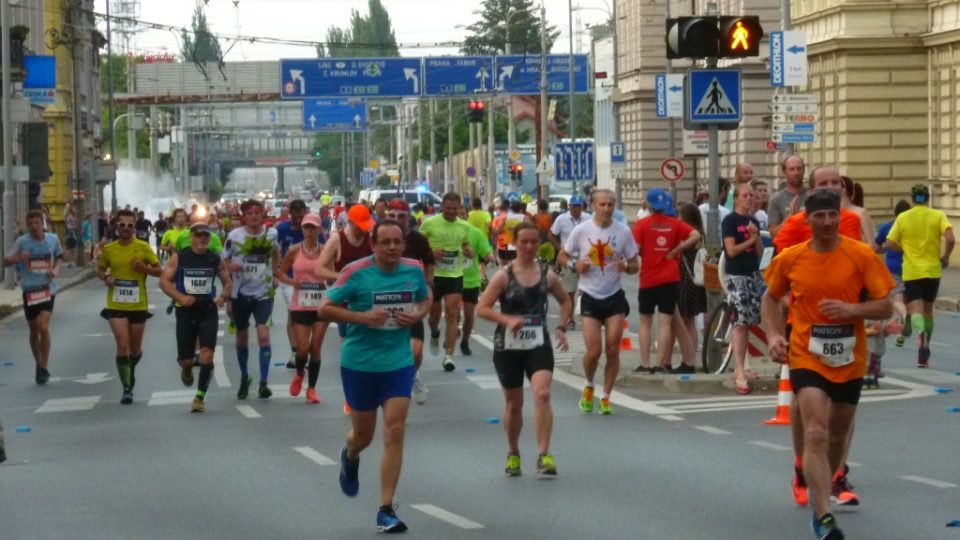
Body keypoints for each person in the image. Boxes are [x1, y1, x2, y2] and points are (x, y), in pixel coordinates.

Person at [762, 189, 894, 540]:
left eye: (832, 216)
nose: (826, 222)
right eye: (819, 216)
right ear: (806, 219)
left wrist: (853, 310)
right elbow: (771, 298)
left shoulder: (861, 256)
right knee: (816, 430)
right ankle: (823, 516)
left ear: (839, 217)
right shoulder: (791, 258)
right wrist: (775, 335)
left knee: (836, 433)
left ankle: (821, 480)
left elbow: (886, 305)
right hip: (807, 353)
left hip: (849, 358)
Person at [319, 220, 431, 534]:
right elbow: (325, 309)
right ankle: (350, 453)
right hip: (360, 363)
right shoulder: (355, 272)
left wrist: (419, 314)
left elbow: (425, 297)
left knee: (395, 430)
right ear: (374, 244)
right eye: (386, 242)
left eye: (397, 241)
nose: (392, 248)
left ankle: (385, 509)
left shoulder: (412, 270)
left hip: (398, 361)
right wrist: (361, 317)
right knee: (364, 436)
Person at [476, 222, 572, 476]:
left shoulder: (547, 274)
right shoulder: (503, 276)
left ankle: (543, 454)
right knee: (514, 404)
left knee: (542, 394)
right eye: (523, 242)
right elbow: (482, 308)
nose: (529, 247)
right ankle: (513, 451)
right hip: (508, 345)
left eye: (533, 242)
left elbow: (565, 300)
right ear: (515, 244)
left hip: (538, 342)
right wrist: (507, 320)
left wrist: (562, 327)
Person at [558, 189, 639, 415]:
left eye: (610, 205)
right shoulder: (581, 230)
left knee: (612, 349)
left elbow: (635, 265)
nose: (606, 209)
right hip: (590, 296)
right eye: (602, 204)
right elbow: (562, 257)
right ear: (593, 205)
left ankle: (606, 396)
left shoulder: (622, 231)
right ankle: (589, 383)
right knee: (594, 351)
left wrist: (626, 267)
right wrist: (575, 265)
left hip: (614, 295)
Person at [159, 222, 231, 413]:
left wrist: (223, 297)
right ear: (191, 238)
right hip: (185, 312)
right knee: (186, 360)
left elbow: (228, 281)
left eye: (206, 236)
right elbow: (164, 282)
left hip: (207, 310)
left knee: (207, 356)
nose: (203, 239)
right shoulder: (180, 257)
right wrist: (181, 298)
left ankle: (199, 397)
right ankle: (186, 367)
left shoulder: (214, 259)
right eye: (199, 236)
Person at [883, 184, 955, 367]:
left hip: (912, 271)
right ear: (928, 197)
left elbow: (889, 243)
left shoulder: (903, 217)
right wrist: (945, 256)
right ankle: (924, 353)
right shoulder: (938, 215)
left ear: (913, 198)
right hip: (932, 270)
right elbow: (950, 238)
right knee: (928, 311)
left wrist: (904, 248)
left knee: (915, 310)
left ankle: (920, 332)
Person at [97, 209, 162, 404]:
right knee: (122, 345)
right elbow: (100, 270)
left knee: (135, 350)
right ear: (116, 226)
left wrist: (143, 268)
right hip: (115, 304)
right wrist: (106, 277)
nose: (125, 229)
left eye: (129, 226)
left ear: (134, 227)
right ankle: (127, 388)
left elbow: (159, 271)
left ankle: (130, 371)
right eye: (122, 225)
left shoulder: (143, 248)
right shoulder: (110, 249)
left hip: (138, 305)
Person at [632, 189, 700, 374]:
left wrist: (645, 253)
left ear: (649, 204)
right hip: (670, 277)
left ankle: (646, 364)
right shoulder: (675, 223)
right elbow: (696, 235)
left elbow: (635, 249)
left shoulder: (641, 225)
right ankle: (662, 364)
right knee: (666, 321)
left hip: (648, 278)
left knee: (645, 322)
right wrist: (676, 249)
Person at [222, 199, 280, 400]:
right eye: (250, 213)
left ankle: (264, 382)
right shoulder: (234, 236)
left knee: (263, 334)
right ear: (244, 216)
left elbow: (275, 253)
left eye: (257, 212)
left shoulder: (271, 234)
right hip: (240, 294)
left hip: (263, 293)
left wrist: (275, 275)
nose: (254, 216)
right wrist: (230, 269)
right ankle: (244, 376)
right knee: (242, 336)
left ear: (262, 214)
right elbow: (222, 261)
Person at [383, 199, 435, 404]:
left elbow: (429, 262)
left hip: (412, 299)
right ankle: (397, 382)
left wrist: (428, 282)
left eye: (401, 216)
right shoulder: (378, 237)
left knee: (416, 351)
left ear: (408, 217)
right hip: (384, 300)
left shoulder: (418, 239)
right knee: (390, 349)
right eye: (393, 216)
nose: (397, 220)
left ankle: (412, 376)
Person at [2, 210, 62, 384]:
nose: (34, 227)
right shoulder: (22, 242)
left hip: (47, 289)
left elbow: (59, 257)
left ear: (42, 223)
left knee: (44, 327)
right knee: (34, 330)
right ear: (27, 226)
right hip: (30, 291)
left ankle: (43, 366)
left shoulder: (52, 239)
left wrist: (55, 271)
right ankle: (38, 364)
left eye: (37, 223)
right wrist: (20, 257)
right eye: (31, 224)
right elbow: (6, 261)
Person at [418, 193, 474, 372]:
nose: (451, 212)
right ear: (442, 206)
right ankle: (434, 333)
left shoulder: (464, 226)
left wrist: (468, 250)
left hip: (454, 274)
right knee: (434, 315)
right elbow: (417, 245)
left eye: (454, 209)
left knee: (452, 313)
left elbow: (465, 244)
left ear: (459, 208)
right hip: (433, 274)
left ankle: (449, 355)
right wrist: (431, 254)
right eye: (447, 208)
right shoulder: (429, 223)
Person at [277, 213, 327, 404]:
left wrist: (331, 279)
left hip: (321, 305)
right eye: (306, 227)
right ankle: (299, 373)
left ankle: (312, 389)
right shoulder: (294, 250)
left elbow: (331, 273)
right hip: (300, 304)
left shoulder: (325, 251)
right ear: (302, 229)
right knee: (303, 350)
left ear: (318, 229)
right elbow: (280, 272)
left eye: (313, 227)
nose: (309, 231)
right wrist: (292, 282)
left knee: (315, 349)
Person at [721, 184, 764, 394]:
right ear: (736, 199)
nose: (750, 199)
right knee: (739, 321)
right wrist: (751, 238)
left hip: (752, 273)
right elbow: (730, 251)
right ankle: (738, 369)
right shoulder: (730, 221)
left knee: (749, 321)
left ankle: (744, 367)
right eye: (745, 195)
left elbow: (759, 252)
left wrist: (756, 238)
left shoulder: (753, 221)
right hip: (736, 274)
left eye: (752, 195)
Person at [549, 196, 590, 329]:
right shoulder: (561, 219)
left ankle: (589, 316)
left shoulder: (588, 218)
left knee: (588, 290)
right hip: (568, 258)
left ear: (582, 207)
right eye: (574, 206)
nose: (576, 208)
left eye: (578, 206)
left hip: (586, 258)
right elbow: (551, 234)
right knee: (570, 291)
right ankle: (570, 318)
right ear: (569, 207)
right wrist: (560, 248)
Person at [875, 199, 912, 346]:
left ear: (895, 213)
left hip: (893, 268)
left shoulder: (887, 227)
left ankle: (904, 316)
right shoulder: (912, 228)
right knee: (907, 302)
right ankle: (902, 333)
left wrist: (884, 247)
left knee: (897, 301)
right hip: (911, 269)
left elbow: (877, 247)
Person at [276, 199, 308, 369]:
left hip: (310, 280)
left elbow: (325, 248)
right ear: (290, 215)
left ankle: (304, 350)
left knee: (307, 315)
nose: (298, 220)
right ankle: (295, 352)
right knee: (294, 311)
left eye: (300, 217)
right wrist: (276, 272)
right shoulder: (282, 229)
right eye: (295, 217)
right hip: (288, 278)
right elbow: (275, 250)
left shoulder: (312, 228)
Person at [675, 203, 707, 359]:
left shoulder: (690, 234)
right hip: (695, 280)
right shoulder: (701, 232)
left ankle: (688, 356)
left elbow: (679, 248)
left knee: (683, 321)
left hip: (686, 279)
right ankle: (690, 355)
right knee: (690, 321)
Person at [460, 220, 494, 357]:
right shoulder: (447, 232)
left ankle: (465, 340)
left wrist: (490, 256)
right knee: (453, 312)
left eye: (462, 214)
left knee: (469, 314)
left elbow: (486, 250)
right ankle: (452, 330)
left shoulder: (475, 233)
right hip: (451, 278)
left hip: (471, 280)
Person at [768, 155, 807, 238]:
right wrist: (790, 216)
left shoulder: (813, 194)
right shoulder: (776, 200)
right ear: (784, 172)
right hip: (787, 248)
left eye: (799, 168)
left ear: (804, 170)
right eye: (792, 169)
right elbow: (774, 234)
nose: (796, 173)